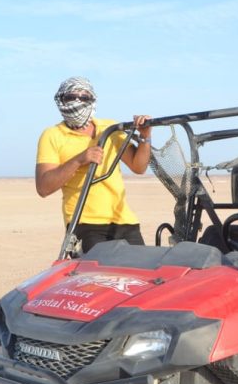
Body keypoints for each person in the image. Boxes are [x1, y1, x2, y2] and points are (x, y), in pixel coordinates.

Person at [35, 77, 152, 253]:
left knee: (141, 276)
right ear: (61, 100)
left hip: (124, 221)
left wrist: (145, 136)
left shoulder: (110, 128)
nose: (78, 102)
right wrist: (79, 160)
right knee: (99, 277)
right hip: (85, 223)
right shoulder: (52, 135)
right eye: (71, 97)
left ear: (92, 100)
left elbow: (139, 167)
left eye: (84, 98)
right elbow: (44, 187)